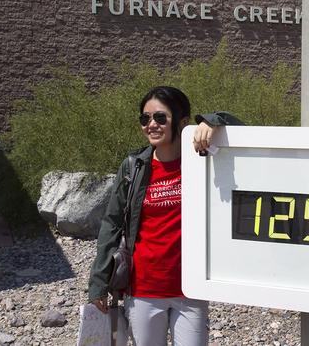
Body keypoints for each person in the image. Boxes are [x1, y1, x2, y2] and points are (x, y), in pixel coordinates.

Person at [88, 86, 243, 346]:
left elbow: (247, 138)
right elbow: (112, 224)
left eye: (160, 118)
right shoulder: (133, 167)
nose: (151, 125)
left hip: (191, 289)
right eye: (145, 119)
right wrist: (99, 282)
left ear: (182, 122)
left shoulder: (203, 160)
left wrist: (215, 121)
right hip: (143, 289)